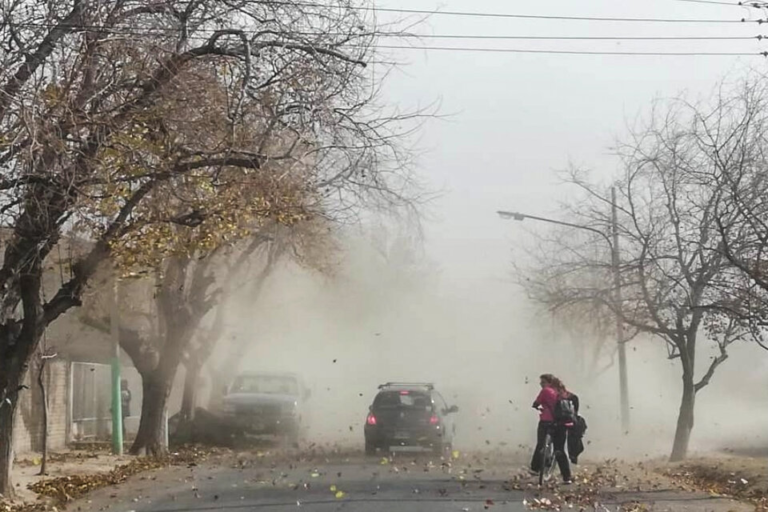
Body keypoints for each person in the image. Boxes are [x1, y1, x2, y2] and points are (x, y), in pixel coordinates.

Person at [530, 373, 572, 484]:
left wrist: (536, 406)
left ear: (549, 383)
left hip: (546, 422)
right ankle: (567, 477)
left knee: (541, 444)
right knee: (559, 450)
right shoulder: (562, 392)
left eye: (543, 382)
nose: (541, 384)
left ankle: (535, 468)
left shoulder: (545, 391)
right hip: (561, 424)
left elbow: (536, 403)